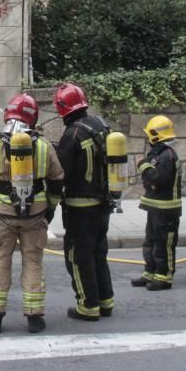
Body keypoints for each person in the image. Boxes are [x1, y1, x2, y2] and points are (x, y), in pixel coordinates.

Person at [0, 98, 64, 334]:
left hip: (1, 215)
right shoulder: (43, 145)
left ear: (8, 117)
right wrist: (51, 207)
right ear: (33, 117)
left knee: (0, 261)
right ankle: (34, 317)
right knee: (33, 263)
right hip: (36, 215)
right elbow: (57, 180)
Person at [53, 83, 115, 321]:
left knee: (79, 258)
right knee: (99, 253)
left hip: (80, 209)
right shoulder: (100, 125)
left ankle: (87, 305)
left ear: (61, 108)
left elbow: (61, 172)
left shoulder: (73, 134)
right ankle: (105, 301)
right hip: (103, 204)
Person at [131, 114, 182, 292]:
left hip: (166, 210)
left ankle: (164, 276)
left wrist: (143, 165)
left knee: (163, 244)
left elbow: (158, 179)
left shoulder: (167, 156)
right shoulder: (159, 154)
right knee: (150, 241)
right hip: (155, 208)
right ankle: (150, 272)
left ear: (155, 135)